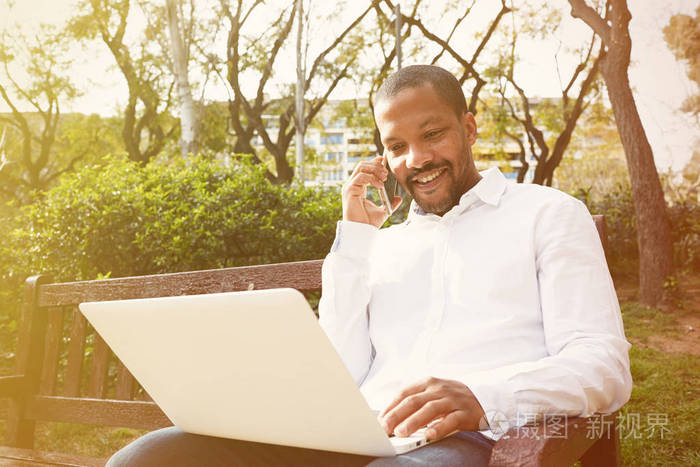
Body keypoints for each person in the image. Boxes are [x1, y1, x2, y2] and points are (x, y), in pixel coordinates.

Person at [106, 65, 632, 466]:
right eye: (397, 146)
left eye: (433, 135)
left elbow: (603, 365)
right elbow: (341, 366)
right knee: (148, 457)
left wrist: (481, 398)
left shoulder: (548, 215)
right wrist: (355, 238)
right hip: (352, 435)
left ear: (469, 129)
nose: (416, 159)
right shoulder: (383, 246)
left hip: (465, 440)